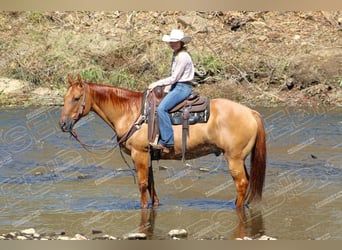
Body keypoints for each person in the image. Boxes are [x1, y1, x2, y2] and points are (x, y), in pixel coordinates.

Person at [148, 29, 195, 153]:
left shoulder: (182, 57)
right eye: (171, 42)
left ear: (181, 42)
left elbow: (175, 78)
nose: (172, 44)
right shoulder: (176, 54)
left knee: (161, 108)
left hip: (182, 87)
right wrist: (167, 89)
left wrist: (157, 83)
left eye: (175, 42)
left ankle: (168, 141)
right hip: (177, 86)